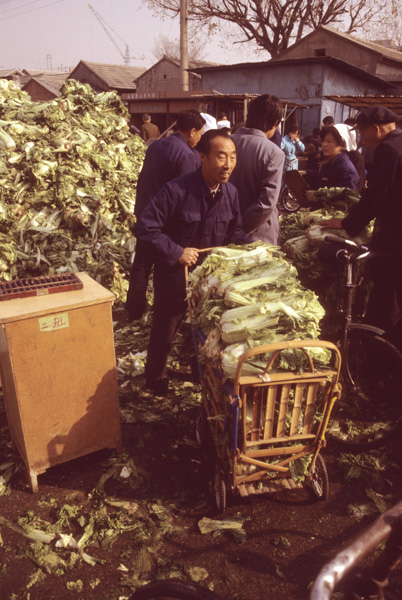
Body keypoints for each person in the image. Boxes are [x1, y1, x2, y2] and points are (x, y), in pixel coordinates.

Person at [134, 129, 251, 395]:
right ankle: (156, 379)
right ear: (202, 157)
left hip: (212, 280)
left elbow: (236, 233)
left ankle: (200, 372)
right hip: (176, 276)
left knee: (206, 330)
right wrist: (176, 252)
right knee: (166, 328)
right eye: (221, 156)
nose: (228, 164)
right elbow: (145, 227)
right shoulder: (176, 190)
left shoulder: (230, 193)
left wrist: (254, 249)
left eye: (233, 157)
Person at [320, 106, 402, 347]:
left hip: (395, 238)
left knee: (386, 293)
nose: (361, 140)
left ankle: (381, 352)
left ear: (376, 129)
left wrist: (347, 223)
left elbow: (376, 196)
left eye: (363, 133)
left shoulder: (389, 149)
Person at [125, 110, 206, 321]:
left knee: (141, 265)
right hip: (166, 220)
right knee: (165, 268)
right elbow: (187, 193)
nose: (199, 139)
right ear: (192, 131)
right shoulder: (187, 155)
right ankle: (164, 314)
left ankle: (134, 310)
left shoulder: (156, 145)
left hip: (145, 212)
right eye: (200, 134)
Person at [230, 94, 285, 245]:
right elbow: (266, 203)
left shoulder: (225, 143)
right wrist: (241, 229)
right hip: (257, 234)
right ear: (275, 123)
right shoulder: (273, 152)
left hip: (225, 228)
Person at [304, 125, 360, 190]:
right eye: (324, 140)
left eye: (329, 141)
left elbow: (344, 196)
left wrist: (317, 196)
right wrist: (306, 172)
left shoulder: (346, 170)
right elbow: (324, 176)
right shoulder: (332, 161)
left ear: (341, 145)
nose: (324, 144)